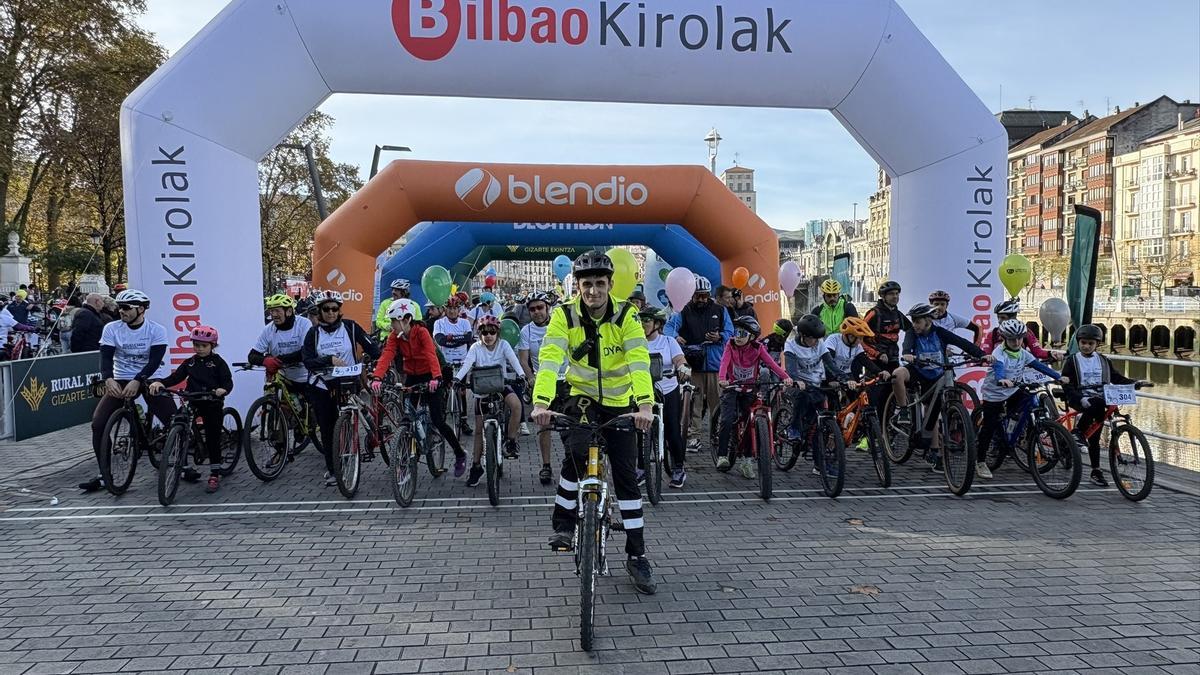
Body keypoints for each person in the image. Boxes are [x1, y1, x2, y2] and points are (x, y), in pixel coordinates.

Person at [531, 250, 657, 595]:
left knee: (627, 480)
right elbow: (550, 358)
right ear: (578, 286)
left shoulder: (627, 315)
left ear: (610, 284)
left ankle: (637, 554)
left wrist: (645, 406)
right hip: (581, 400)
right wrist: (541, 402)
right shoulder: (563, 316)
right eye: (586, 284)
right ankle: (562, 527)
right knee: (574, 458)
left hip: (620, 404)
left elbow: (638, 360)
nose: (593, 291)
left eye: (600, 284)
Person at [81, 289, 179, 492]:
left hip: (150, 377)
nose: (121, 311)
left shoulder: (156, 330)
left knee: (174, 419)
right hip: (121, 377)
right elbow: (106, 357)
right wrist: (108, 379)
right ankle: (104, 475)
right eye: (119, 307)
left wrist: (138, 380)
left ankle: (182, 463)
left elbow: (154, 361)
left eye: (126, 308)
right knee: (98, 424)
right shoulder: (111, 328)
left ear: (141, 309)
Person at [371, 299, 469, 477]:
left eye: (394, 321)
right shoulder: (395, 336)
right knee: (407, 417)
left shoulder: (421, 332)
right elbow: (387, 355)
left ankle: (460, 454)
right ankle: (408, 451)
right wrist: (377, 377)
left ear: (406, 319)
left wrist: (436, 379)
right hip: (413, 375)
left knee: (438, 419)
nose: (392, 325)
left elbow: (431, 355)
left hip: (435, 372)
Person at [893, 303, 989, 475]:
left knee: (933, 413)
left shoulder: (940, 333)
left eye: (918, 321)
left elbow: (963, 343)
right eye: (913, 321)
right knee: (897, 375)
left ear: (928, 320)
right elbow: (907, 346)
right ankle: (903, 411)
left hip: (936, 373)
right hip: (918, 370)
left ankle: (935, 453)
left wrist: (982, 355)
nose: (914, 324)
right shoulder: (912, 333)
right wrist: (908, 353)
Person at [301, 290, 380, 486]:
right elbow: (308, 361)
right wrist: (329, 360)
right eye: (326, 309)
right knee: (328, 429)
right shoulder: (313, 333)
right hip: (321, 385)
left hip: (347, 382)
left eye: (334, 309)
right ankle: (333, 469)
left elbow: (373, 348)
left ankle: (356, 447)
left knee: (348, 422)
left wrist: (373, 362)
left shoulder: (350, 327)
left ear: (339, 310)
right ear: (319, 311)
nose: (330, 312)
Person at [976, 319, 1068, 476]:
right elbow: (998, 368)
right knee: (989, 426)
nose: (1017, 342)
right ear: (1004, 338)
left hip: (1013, 390)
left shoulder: (1023, 353)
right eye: (1012, 338)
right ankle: (980, 461)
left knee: (1028, 400)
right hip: (995, 393)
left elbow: (1038, 365)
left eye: (1020, 338)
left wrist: (1057, 376)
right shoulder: (999, 353)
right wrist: (1001, 379)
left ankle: (1016, 432)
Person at [148, 326, 233, 493]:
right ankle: (182, 453)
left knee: (212, 436)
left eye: (204, 346)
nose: (199, 349)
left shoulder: (218, 363)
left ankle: (214, 473)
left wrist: (223, 390)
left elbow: (227, 382)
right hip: (193, 400)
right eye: (196, 345)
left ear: (212, 346)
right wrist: (161, 383)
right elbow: (175, 377)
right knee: (178, 420)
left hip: (211, 402)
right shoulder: (190, 362)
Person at [1059, 324, 1142, 487]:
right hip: (1079, 396)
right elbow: (1067, 385)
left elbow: (1116, 378)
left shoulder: (1103, 360)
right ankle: (1077, 432)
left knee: (1096, 435)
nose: (1086, 346)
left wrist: (1134, 383)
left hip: (1099, 399)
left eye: (1090, 343)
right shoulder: (1072, 361)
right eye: (1083, 343)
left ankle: (1096, 470)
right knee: (1096, 406)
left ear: (1097, 344)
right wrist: (1079, 398)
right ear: (1078, 342)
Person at [715, 316, 792, 478]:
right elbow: (724, 362)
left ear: (751, 336)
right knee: (727, 419)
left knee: (751, 421)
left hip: (749, 389)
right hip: (731, 387)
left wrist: (785, 377)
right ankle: (722, 455)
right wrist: (722, 379)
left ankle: (747, 460)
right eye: (736, 332)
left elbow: (771, 364)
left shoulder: (758, 348)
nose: (738, 336)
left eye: (743, 333)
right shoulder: (730, 345)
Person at [453, 315, 525, 487]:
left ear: (498, 333)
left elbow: (513, 360)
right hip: (481, 391)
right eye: (484, 332)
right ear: (480, 333)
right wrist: (457, 378)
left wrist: (521, 374)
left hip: (501, 386)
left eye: (492, 332)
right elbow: (467, 364)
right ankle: (476, 467)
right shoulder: (475, 348)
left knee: (516, 406)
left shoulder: (504, 344)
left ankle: (511, 440)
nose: (488, 336)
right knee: (479, 430)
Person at [664, 275, 732, 451]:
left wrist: (720, 336)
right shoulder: (684, 311)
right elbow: (668, 328)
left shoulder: (720, 310)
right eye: (698, 295)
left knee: (717, 404)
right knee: (694, 404)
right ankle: (693, 436)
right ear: (691, 295)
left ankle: (717, 434)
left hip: (716, 365)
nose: (701, 299)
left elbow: (730, 332)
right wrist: (675, 337)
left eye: (704, 295)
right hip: (694, 364)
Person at [781, 315, 841, 472]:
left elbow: (830, 363)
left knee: (820, 424)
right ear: (803, 336)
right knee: (802, 396)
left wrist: (844, 377)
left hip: (816, 385)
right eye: (813, 339)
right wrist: (795, 379)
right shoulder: (791, 346)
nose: (816, 342)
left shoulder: (819, 344)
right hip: (797, 385)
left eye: (817, 339)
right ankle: (793, 428)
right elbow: (791, 368)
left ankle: (819, 464)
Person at [640, 307, 690, 488]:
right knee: (638, 430)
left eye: (647, 321)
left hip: (667, 390)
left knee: (672, 430)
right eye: (641, 320)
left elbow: (679, 359)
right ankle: (640, 468)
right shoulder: (635, 342)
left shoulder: (668, 341)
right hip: (642, 393)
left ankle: (678, 467)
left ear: (657, 324)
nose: (643, 324)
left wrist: (683, 368)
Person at [246, 294, 312, 427]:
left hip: (306, 375)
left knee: (311, 409)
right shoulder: (268, 330)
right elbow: (252, 355)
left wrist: (278, 360)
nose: (273, 314)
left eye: (277, 310)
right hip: (284, 376)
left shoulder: (304, 324)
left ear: (288, 311)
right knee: (278, 402)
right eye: (271, 311)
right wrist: (265, 361)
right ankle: (280, 439)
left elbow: (306, 352)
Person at [517, 292, 557, 485]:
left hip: (566, 380)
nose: (536, 312)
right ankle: (546, 465)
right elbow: (523, 360)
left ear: (547, 307)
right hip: (543, 381)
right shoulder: (526, 331)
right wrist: (531, 377)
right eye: (532, 309)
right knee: (544, 425)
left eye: (540, 307)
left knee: (573, 426)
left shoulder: (559, 324)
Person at [433, 296, 475, 437]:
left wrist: (450, 339)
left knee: (462, 392)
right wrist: (457, 339)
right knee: (443, 391)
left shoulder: (464, 322)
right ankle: (441, 422)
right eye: (449, 308)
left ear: (459, 309)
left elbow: (468, 338)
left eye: (455, 308)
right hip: (446, 363)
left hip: (462, 362)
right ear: (445, 309)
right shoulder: (439, 323)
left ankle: (463, 421)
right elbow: (441, 340)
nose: (452, 311)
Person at [980, 298, 1060, 362]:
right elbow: (986, 354)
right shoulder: (992, 334)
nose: (999, 321)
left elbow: (1038, 352)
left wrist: (1051, 353)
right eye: (998, 317)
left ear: (1013, 318)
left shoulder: (1026, 332)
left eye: (1003, 317)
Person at [862, 280, 909, 372]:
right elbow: (860, 338)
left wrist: (907, 349)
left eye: (897, 294)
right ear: (883, 296)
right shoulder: (874, 313)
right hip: (875, 361)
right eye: (891, 294)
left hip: (893, 359)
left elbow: (912, 330)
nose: (895, 296)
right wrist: (877, 354)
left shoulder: (898, 314)